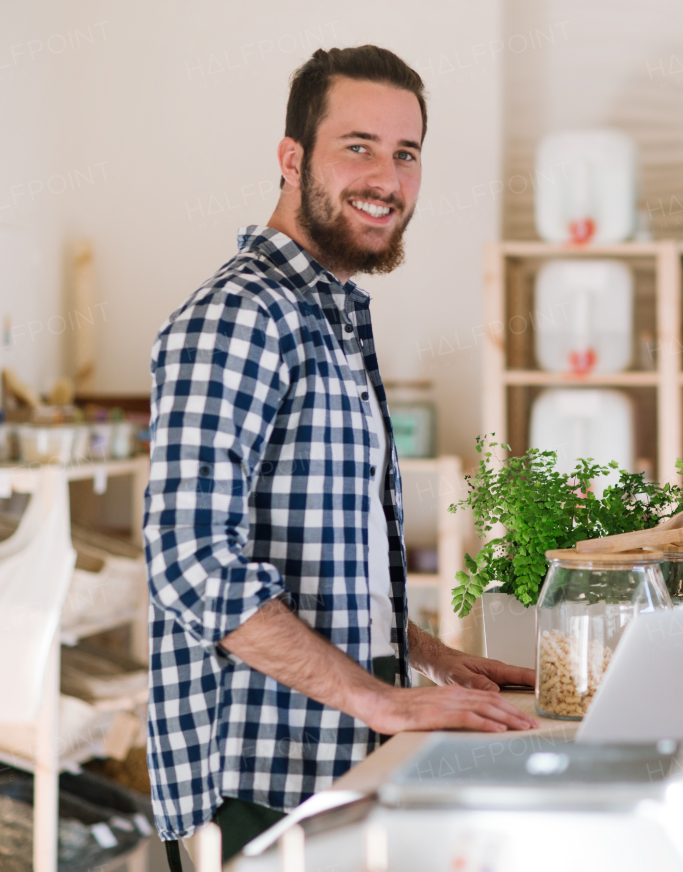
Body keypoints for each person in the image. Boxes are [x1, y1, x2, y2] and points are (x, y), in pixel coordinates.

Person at [144, 46, 537, 868]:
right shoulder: (242, 314)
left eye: (406, 153)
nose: (386, 178)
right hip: (257, 783)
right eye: (357, 146)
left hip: (330, 766)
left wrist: (419, 653)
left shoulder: (331, 316)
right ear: (292, 160)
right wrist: (377, 698)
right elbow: (190, 563)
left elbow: (317, 557)